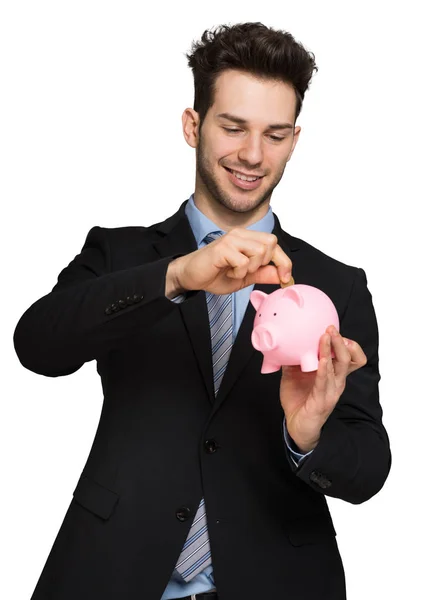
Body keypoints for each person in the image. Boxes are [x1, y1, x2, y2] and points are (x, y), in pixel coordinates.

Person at [13, 21, 391, 600]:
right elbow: (37, 344)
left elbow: (368, 466)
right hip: (112, 573)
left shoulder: (336, 285)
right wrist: (177, 276)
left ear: (295, 139)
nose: (252, 155)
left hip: (279, 581)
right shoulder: (121, 254)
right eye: (233, 127)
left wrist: (308, 437)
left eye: (275, 134)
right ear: (194, 126)